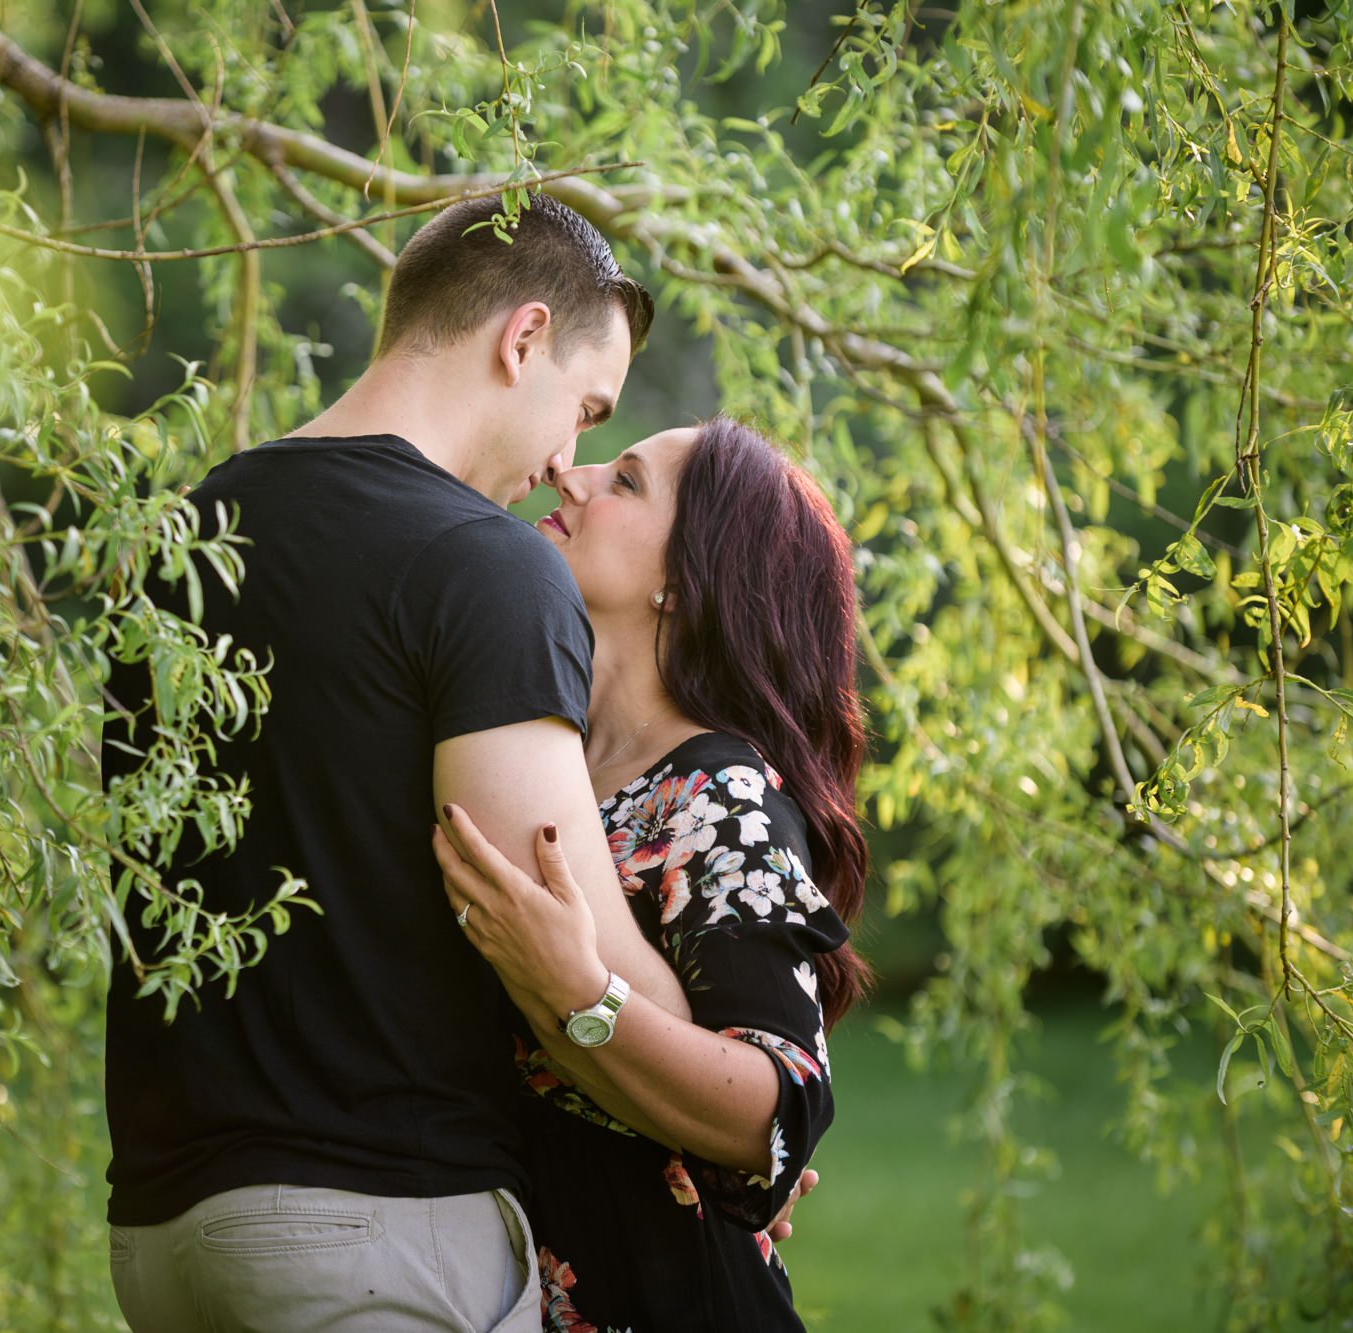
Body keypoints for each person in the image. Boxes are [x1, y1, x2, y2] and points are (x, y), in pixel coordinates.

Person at [100, 193, 689, 1332]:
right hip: (371, 1236)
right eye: (583, 407)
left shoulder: (189, 533)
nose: (569, 460)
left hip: (162, 1237)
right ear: (519, 340)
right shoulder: (484, 569)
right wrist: (723, 1064)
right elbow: (565, 939)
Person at [433, 418, 869, 1331]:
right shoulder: (531, 754)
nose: (573, 476)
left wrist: (580, 992)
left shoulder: (719, 791)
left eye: (626, 481)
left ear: (685, 580)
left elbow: (776, 1108)